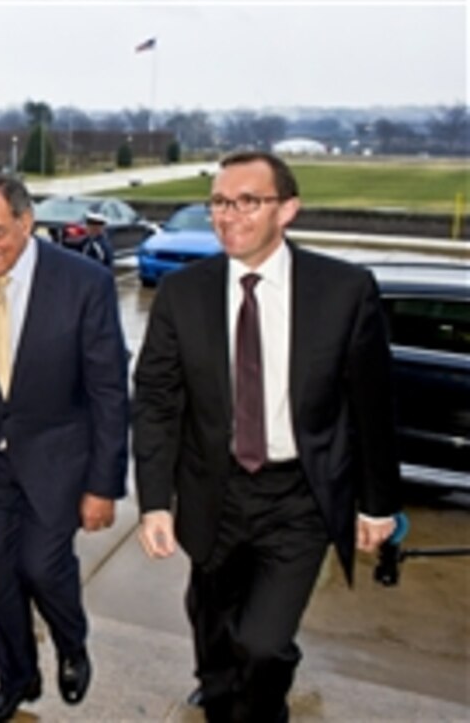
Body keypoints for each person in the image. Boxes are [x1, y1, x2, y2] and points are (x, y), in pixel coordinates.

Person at [132, 150, 400, 722]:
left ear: (288, 210)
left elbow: (372, 407)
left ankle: (262, 707)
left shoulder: (344, 291)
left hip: (298, 497)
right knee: (213, 628)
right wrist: (155, 501)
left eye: (248, 202)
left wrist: (378, 505)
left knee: (264, 643)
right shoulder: (183, 295)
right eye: (220, 203)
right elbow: (156, 403)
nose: (229, 216)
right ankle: (223, 696)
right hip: (213, 493)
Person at [0, 174, 130, 722]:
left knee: (41, 565)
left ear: (27, 221)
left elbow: (108, 391)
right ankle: (17, 679)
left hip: (58, 458)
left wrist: (104, 484)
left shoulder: (84, 283)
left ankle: (71, 642)